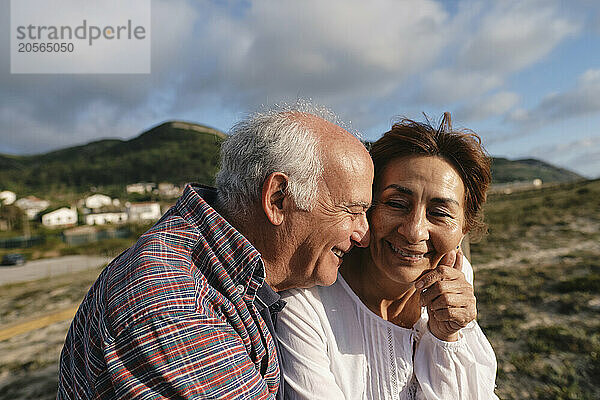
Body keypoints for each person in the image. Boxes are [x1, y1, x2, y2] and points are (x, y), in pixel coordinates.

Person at [57, 101, 374, 399]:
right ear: (278, 199)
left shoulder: (225, 274)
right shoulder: (177, 304)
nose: (364, 235)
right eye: (352, 210)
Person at [276, 114, 499, 399]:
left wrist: (446, 337)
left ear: (463, 229)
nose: (414, 231)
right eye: (397, 204)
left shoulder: (455, 278)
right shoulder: (306, 303)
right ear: (368, 206)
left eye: (440, 213)